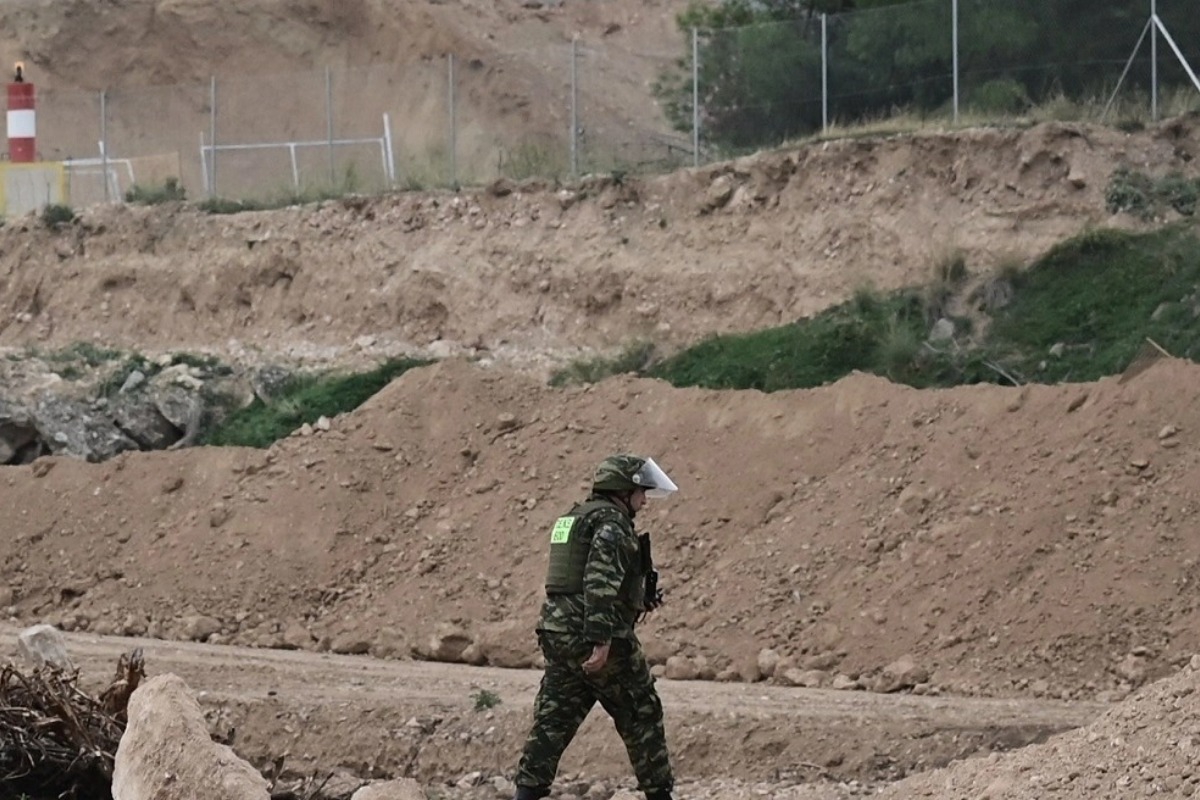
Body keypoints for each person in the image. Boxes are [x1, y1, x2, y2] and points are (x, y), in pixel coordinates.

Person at [512, 453, 679, 800]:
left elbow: (572, 579)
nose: (644, 501)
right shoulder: (613, 524)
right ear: (623, 491)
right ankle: (660, 795)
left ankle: (526, 795)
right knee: (642, 712)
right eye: (640, 493)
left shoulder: (573, 519)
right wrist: (601, 640)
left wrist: (637, 598)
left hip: (558, 633)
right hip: (596, 634)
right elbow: (598, 581)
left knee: (553, 721)